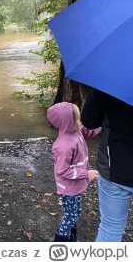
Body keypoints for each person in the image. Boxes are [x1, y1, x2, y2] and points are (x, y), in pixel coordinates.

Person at [82, 87, 133, 242]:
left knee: (110, 229)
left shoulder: (109, 78)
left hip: (116, 167)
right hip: (115, 167)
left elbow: (89, 121)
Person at [47, 102, 101, 242]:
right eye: (77, 119)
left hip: (76, 186)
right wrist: (86, 174)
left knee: (75, 213)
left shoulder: (77, 131)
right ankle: (61, 243)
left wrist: (102, 126)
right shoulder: (63, 146)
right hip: (69, 188)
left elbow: (88, 131)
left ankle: (72, 238)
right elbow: (62, 170)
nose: (80, 121)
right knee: (70, 216)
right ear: (67, 122)